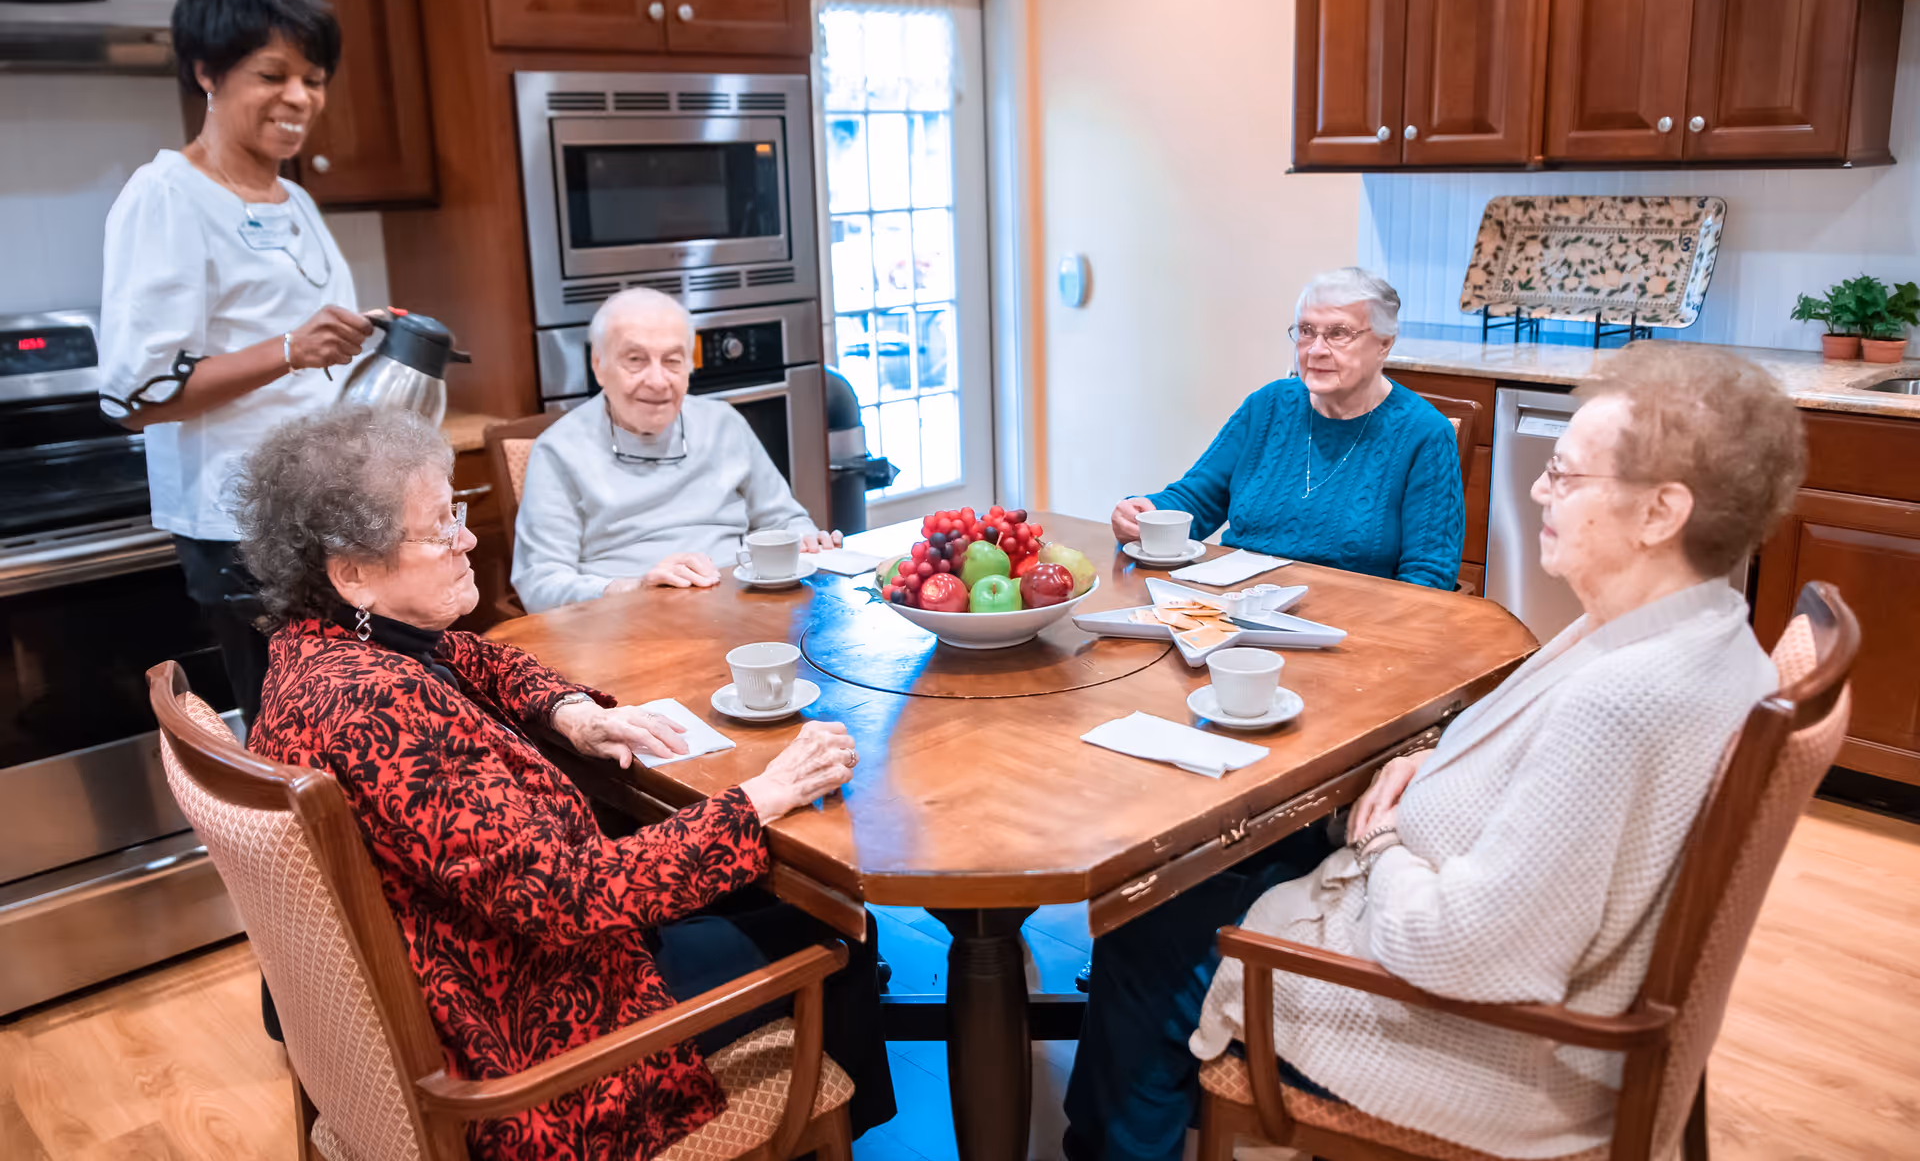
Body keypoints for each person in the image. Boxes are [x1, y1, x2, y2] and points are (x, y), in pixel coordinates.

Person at [1066, 343, 1807, 1161]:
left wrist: (1381, 842)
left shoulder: (1624, 700)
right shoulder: (1697, 631)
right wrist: (1443, 762)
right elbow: (1542, 782)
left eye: (1564, 474)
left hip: (1483, 1048)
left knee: (1143, 936)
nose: (1537, 490)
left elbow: (1462, 951)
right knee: (1215, 877)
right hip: (1459, 931)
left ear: (1663, 512)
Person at [233, 404, 894, 1160]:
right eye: (439, 528)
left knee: (750, 896)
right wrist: (763, 796)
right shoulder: (382, 708)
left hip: (472, 980)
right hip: (541, 1047)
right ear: (352, 572)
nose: (468, 539)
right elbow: (570, 897)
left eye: (458, 512)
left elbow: (471, 656)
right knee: (836, 928)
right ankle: (822, 1133)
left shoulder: (321, 653)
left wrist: (570, 710)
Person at [97, 0, 374, 725]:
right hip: (244, 528)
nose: (300, 98)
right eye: (273, 75)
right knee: (296, 744)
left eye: (314, 79)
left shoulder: (297, 199)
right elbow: (135, 397)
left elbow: (314, 349)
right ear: (207, 72)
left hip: (326, 509)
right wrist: (290, 347)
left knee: (355, 732)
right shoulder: (167, 198)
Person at [1110, 267, 1463, 589]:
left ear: (1385, 342)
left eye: (1338, 333)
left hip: (1351, 631)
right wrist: (1144, 513)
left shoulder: (1424, 434)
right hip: (1233, 608)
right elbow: (1195, 501)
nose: (1315, 350)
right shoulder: (1268, 405)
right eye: (1307, 331)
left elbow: (1429, 577)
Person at [513, 289, 842, 613]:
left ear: (689, 367)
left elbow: (784, 518)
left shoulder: (724, 424)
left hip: (740, 610)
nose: (657, 381)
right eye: (635, 360)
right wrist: (634, 587)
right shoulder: (557, 450)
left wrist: (806, 540)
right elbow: (539, 583)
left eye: (672, 361)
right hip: (622, 626)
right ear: (598, 365)